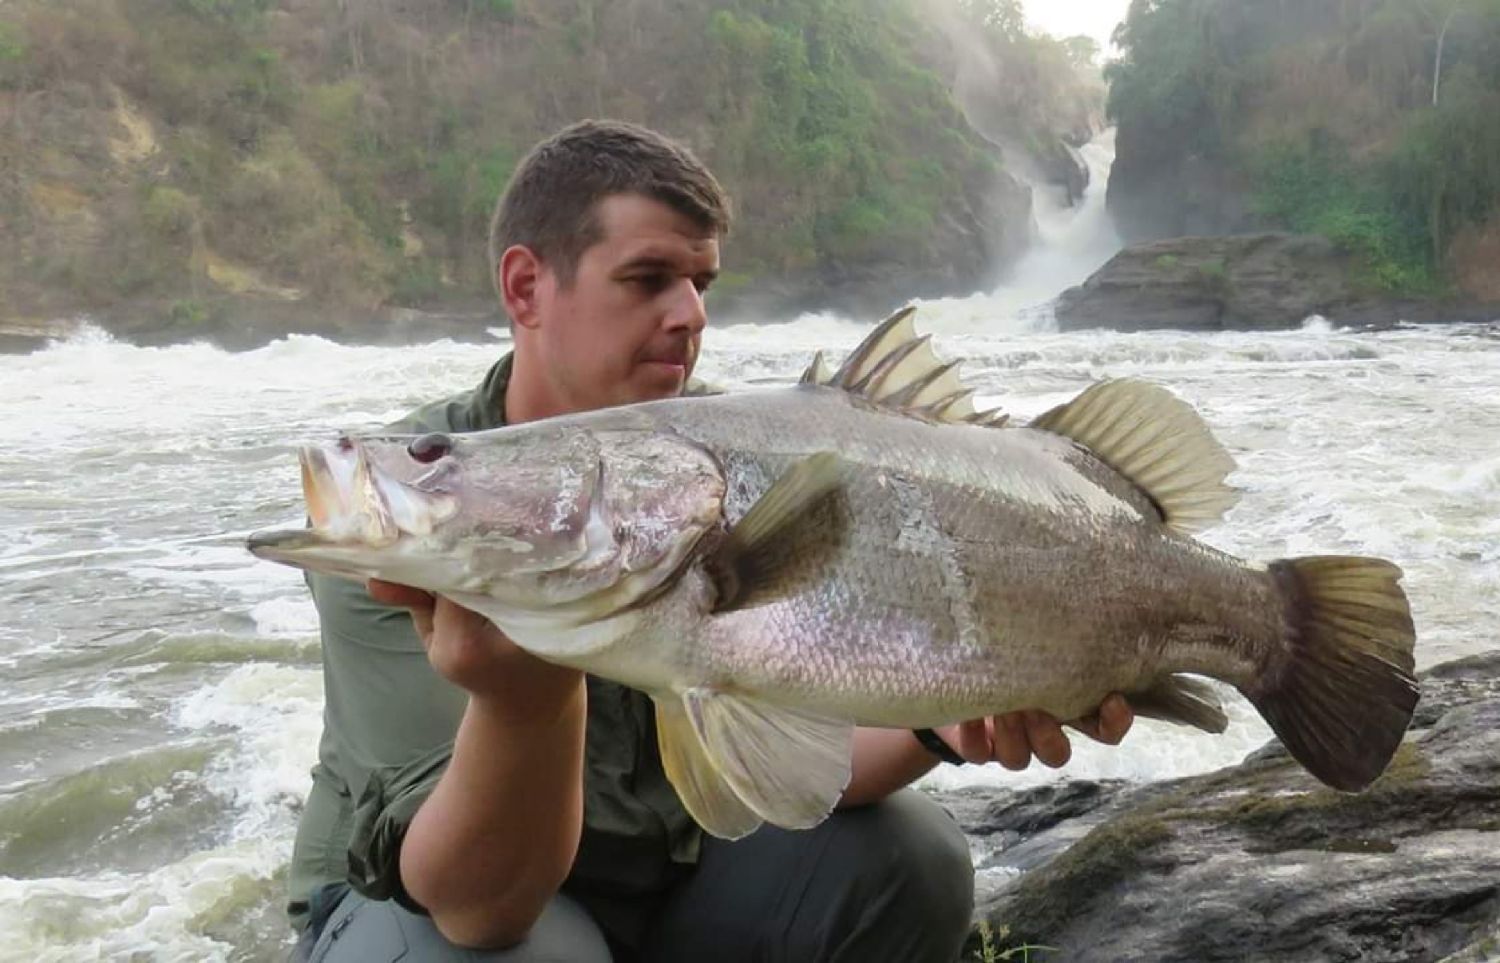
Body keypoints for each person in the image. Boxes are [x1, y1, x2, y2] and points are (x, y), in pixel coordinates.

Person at [287, 119, 1135, 963]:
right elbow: (478, 904)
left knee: (906, 861)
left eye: (702, 284)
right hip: (451, 901)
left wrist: (937, 724)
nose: (690, 315)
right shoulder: (417, 521)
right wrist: (523, 700)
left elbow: (793, 754)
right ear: (525, 288)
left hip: (671, 869)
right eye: (649, 278)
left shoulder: (744, 455)